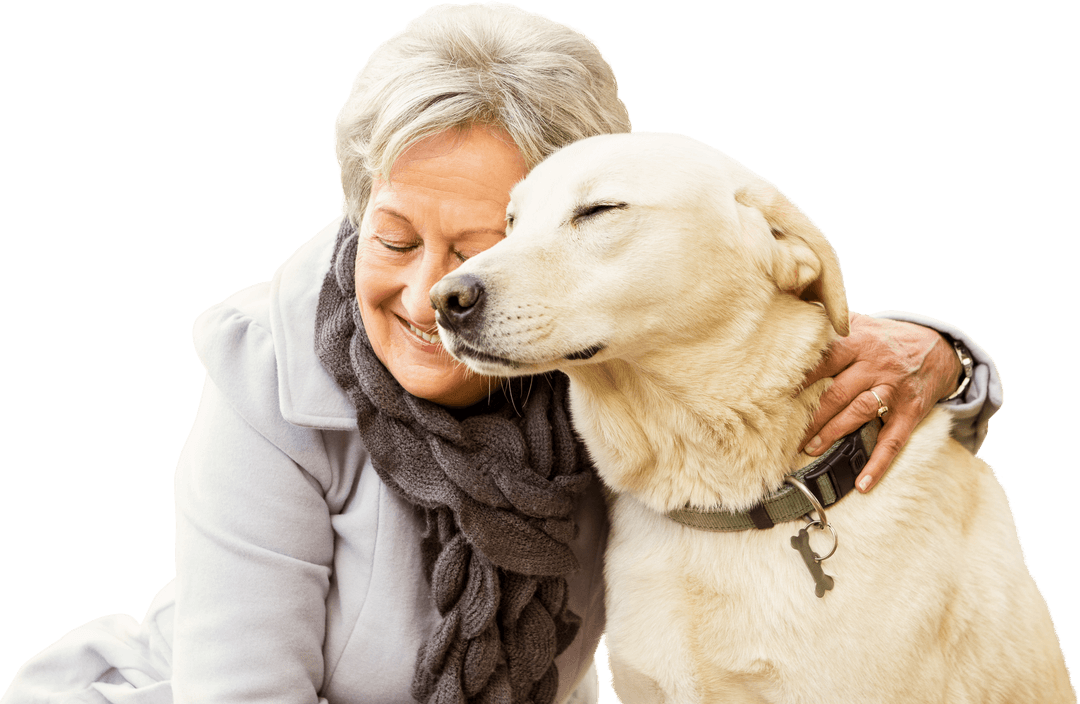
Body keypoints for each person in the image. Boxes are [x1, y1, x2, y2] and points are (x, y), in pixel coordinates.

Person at [1, 4, 1001, 704]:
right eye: (394, 238)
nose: (434, 288)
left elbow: (740, 310)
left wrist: (943, 354)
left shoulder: (608, 362)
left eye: (479, 247)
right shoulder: (269, 372)